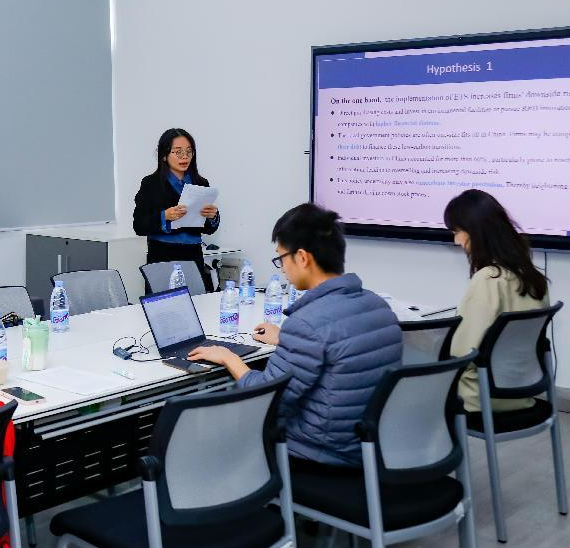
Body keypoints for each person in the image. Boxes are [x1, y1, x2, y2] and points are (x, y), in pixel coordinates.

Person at [187, 203, 402, 467]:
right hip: (370, 445)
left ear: (302, 258)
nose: (282, 269)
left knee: (222, 431)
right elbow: (336, 348)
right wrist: (285, 340)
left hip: (320, 454)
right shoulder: (378, 306)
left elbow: (266, 396)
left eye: (281, 259)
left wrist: (228, 357)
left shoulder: (307, 323)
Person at [444, 189, 550, 413]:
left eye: (458, 231)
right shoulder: (532, 276)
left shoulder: (489, 279)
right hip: (520, 393)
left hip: (478, 397)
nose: (456, 240)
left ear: (476, 232)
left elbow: (461, 352)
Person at [132, 128, 220, 291]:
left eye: (189, 152)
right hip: (163, 255)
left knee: (197, 302)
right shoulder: (151, 184)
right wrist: (164, 216)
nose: (184, 157)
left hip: (193, 256)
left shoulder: (200, 183)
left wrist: (212, 216)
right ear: (164, 155)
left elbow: (208, 228)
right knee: (163, 302)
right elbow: (139, 225)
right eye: (178, 152)